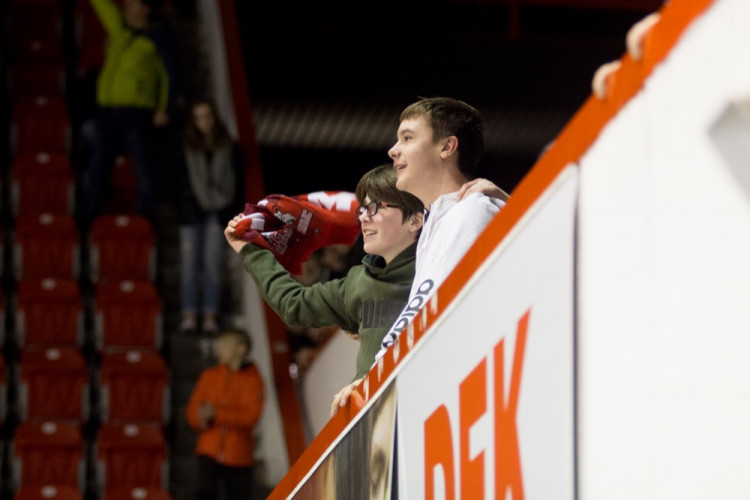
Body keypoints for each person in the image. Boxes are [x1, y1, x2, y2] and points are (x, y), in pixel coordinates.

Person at [224, 164, 424, 415]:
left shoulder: (442, 263)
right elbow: (292, 304)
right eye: (362, 209)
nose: (363, 216)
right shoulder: (358, 282)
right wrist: (249, 251)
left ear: (416, 219)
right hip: (380, 420)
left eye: (375, 207)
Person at [376, 96, 508, 359]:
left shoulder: (471, 210)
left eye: (407, 138)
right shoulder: (437, 225)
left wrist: (375, 377)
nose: (393, 150)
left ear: (447, 146)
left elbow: (427, 313)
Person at [83, 0, 177, 226]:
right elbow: (103, 6)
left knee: (144, 167)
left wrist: (164, 108)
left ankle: (146, 219)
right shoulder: (120, 29)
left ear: (146, 8)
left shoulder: (159, 38)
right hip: (108, 109)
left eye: (134, 3)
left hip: (139, 112)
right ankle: (90, 216)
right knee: (98, 164)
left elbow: (170, 75)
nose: (127, 6)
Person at [176, 98, 243, 335]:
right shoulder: (185, 147)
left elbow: (236, 184)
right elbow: (178, 184)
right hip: (190, 215)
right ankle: (189, 314)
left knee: (212, 264)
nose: (204, 122)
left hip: (218, 213)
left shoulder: (228, 146)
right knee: (189, 266)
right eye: (199, 117)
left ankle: (210, 315)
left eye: (207, 116)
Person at [186, 329, 264, 500]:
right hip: (208, 450)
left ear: (241, 349)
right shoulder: (209, 376)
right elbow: (192, 411)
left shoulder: (253, 380)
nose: (220, 349)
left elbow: (251, 416)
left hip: (239, 455)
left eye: (226, 345)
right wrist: (201, 419)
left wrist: (216, 414)